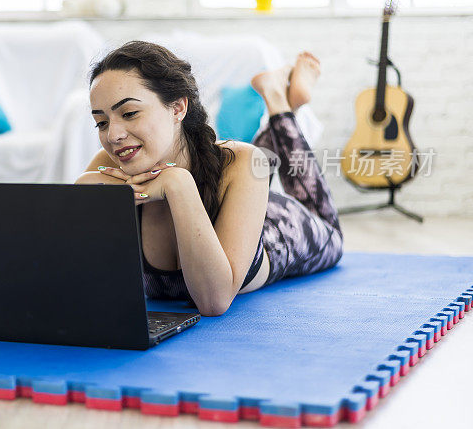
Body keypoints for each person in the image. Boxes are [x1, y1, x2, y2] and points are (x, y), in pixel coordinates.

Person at [75, 41, 343, 316]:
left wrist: (178, 186)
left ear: (178, 108)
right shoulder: (106, 167)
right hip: (233, 186)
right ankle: (284, 102)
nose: (113, 135)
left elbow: (213, 302)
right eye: (102, 122)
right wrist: (78, 196)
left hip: (280, 226)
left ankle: (279, 103)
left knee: (332, 235)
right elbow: (75, 282)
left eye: (129, 113)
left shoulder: (242, 161)